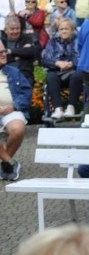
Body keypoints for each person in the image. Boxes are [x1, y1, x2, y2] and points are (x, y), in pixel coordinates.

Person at [42, 18, 84, 119]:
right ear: (58, 31)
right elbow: (45, 60)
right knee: (50, 76)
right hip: (57, 73)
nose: (64, 31)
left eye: (66, 29)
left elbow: (83, 57)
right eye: (61, 29)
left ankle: (71, 107)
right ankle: (58, 109)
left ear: (72, 30)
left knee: (77, 75)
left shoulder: (78, 41)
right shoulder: (52, 42)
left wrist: (71, 64)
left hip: (73, 73)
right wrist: (57, 63)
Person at [0, 41, 29, 181]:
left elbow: (26, 94)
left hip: (11, 110)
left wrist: (14, 106)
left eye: (4, 51)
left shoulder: (14, 72)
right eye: (0, 53)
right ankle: (9, 163)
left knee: (18, 128)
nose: (3, 54)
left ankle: (4, 163)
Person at [2, 14, 40, 84]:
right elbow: (1, 59)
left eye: (17, 28)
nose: (15, 31)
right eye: (12, 29)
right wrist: (19, 56)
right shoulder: (1, 41)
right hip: (6, 72)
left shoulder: (26, 38)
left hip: (24, 73)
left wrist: (10, 51)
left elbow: (29, 52)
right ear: (5, 30)